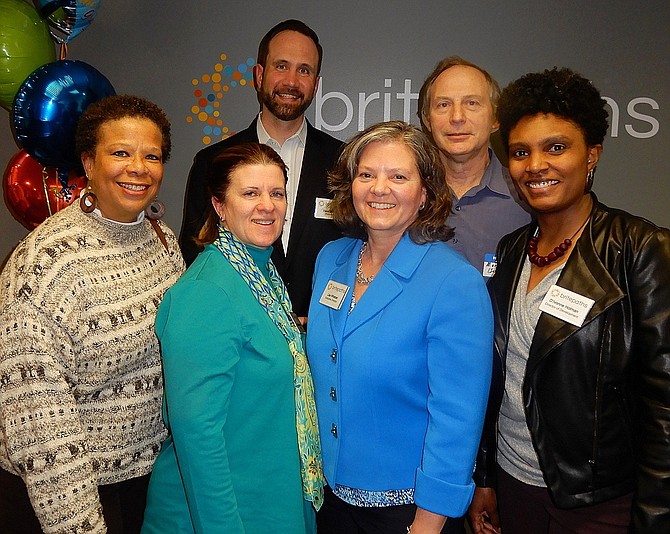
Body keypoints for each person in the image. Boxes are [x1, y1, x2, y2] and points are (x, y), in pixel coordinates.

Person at [469, 68, 670, 534]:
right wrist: (486, 478)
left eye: (555, 147)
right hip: (515, 484)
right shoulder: (512, 249)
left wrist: (656, 515)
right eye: (521, 152)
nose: (535, 165)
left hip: (599, 501)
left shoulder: (641, 250)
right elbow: (498, 372)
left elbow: (664, 405)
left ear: (592, 154)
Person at [0, 95, 185, 533]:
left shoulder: (162, 239)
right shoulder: (46, 265)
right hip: (71, 494)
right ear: (88, 162)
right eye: (120, 152)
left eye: (151, 155)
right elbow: (39, 422)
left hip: (148, 478)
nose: (138, 167)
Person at [307, 121, 493, 534]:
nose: (379, 188)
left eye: (398, 176)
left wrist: (428, 523)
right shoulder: (330, 259)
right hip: (327, 500)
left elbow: (457, 416)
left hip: (405, 512)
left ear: (425, 192)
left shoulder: (453, 282)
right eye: (366, 174)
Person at [141, 143, 324, 534]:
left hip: (270, 496)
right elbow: (197, 434)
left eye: (276, 193)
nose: (267, 206)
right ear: (220, 206)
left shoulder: (262, 276)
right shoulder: (208, 291)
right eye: (250, 193)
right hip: (221, 512)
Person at [180, 19, 343, 319]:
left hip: (322, 341)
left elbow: (357, 253)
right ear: (259, 75)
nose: (292, 81)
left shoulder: (344, 162)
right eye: (281, 66)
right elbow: (195, 254)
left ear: (316, 84)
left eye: (304, 70)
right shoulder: (213, 161)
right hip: (240, 336)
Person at [417, 56, 530, 277]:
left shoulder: (527, 195)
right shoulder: (402, 195)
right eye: (443, 105)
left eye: (472, 103)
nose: (457, 117)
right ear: (427, 120)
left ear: (496, 118)